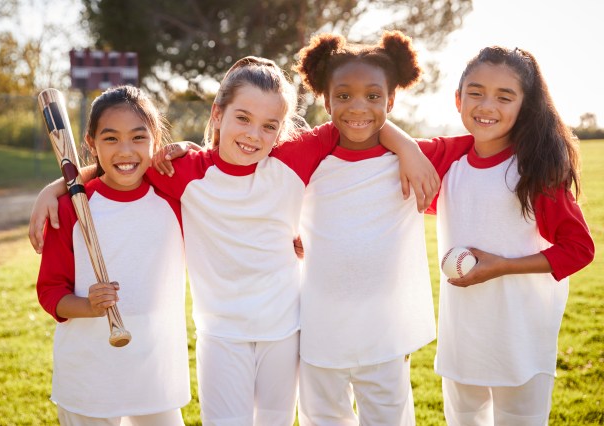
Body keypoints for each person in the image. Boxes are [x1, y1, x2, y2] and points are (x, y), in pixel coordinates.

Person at [30, 56, 438, 425]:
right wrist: (60, 187)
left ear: (282, 128)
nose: (253, 135)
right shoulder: (184, 170)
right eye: (242, 118)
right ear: (218, 114)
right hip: (221, 334)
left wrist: (407, 147)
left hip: (284, 330)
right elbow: (121, 164)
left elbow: (357, 116)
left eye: (269, 126)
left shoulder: (292, 158)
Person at [291, 31, 475, 425]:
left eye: (373, 96)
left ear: (391, 99)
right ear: (325, 100)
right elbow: (246, 158)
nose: (358, 107)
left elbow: (487, 143)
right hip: (319, 326)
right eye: (343, 96)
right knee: (323, 417)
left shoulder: (418, 157)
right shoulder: (308, 155)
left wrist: (406, 146)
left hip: (385, 331)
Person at [431, 46, 595, 425]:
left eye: (505, 96)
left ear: (525, 106)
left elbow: (579, 249)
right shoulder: (449, 163)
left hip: (521, 336)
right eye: (476, 92)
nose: (487, 105)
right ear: (458, 99)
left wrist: (502, 266)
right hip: (462, 336)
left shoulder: (534, 171)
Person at [36, 86, 191, 425]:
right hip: (90, 375)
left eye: (138, 137)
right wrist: (87, 306)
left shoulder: (175, 198)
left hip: (155, 369)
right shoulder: (70, 208)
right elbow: (50, 292)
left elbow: (217, 170)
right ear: (90, 144)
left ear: (156, 141)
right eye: (110, 139)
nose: (125, 151)